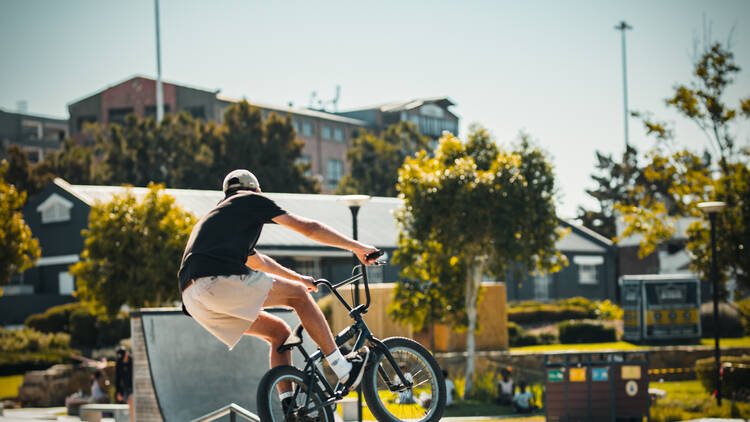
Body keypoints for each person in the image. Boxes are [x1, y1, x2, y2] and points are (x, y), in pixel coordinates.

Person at [178, 169, 379, 408]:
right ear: (258, 190)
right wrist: (357, 247)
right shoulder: (251, 199)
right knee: (299, 297)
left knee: (279, 333)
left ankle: (288, 406)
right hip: (216, 280)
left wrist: (300, 278)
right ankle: (342, 367)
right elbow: (309, 228)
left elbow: (259, 261)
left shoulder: (220, 218)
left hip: (193, 298)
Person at [115, 347, 134, 422]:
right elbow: (117, 379)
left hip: (134, 387)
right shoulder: (119, 363)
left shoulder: (132, 361)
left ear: (127, 354)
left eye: (124, 358)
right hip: (126, 387)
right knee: (129, 404)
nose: (123, 360)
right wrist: (118, 392)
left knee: (131, 401)